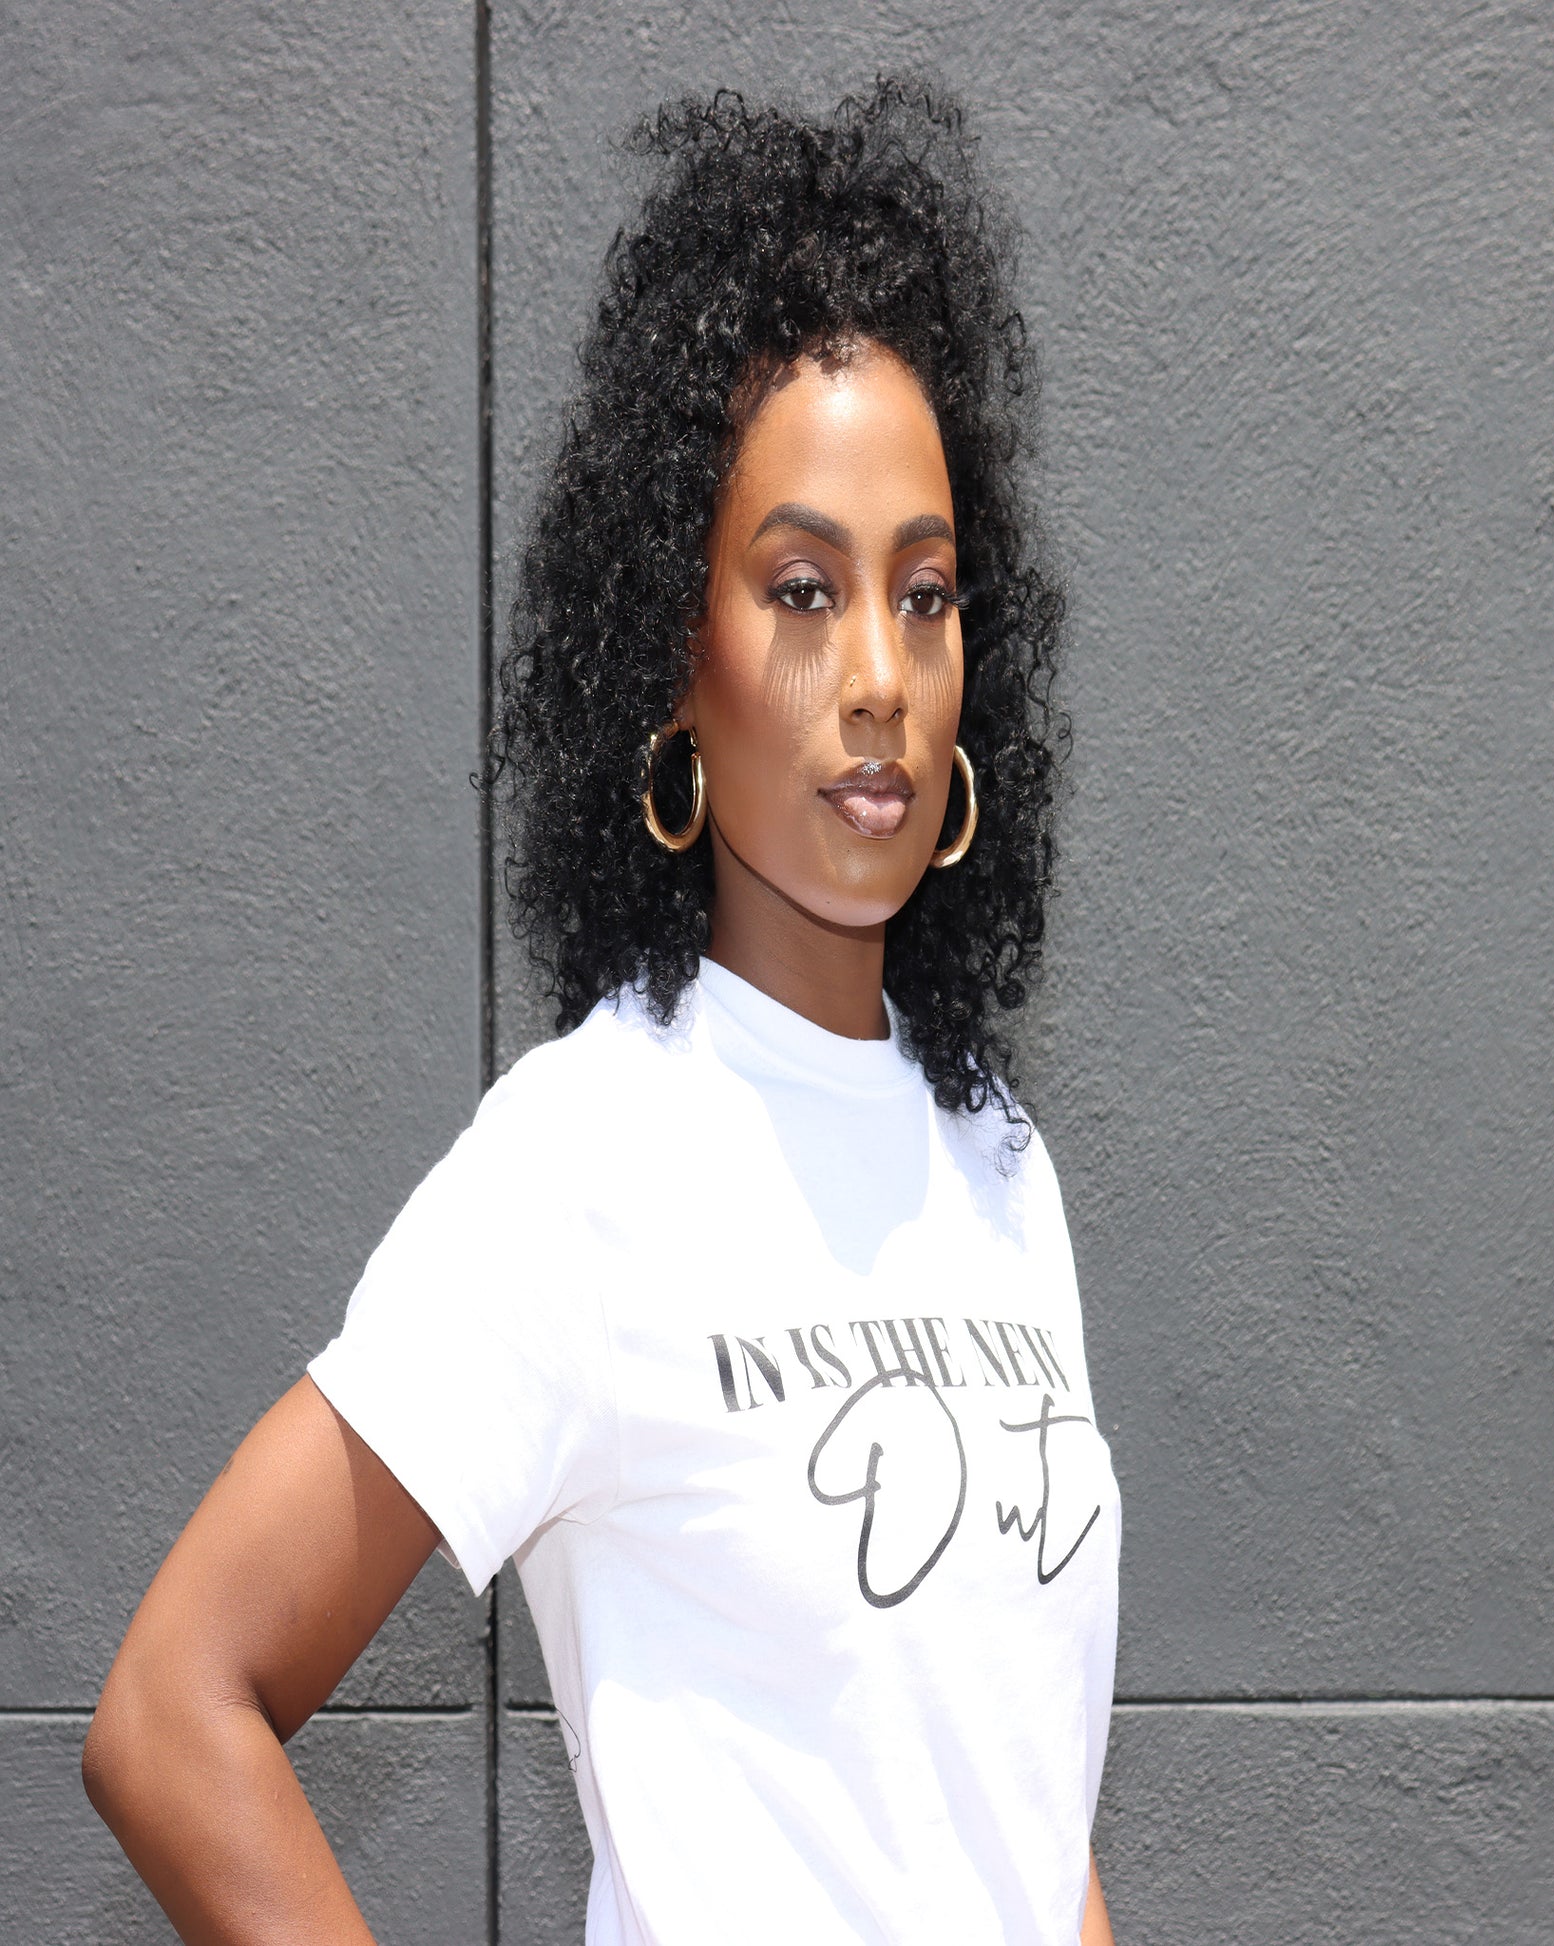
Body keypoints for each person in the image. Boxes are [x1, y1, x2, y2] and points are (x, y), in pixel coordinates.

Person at [83, 78, 1120, 1946]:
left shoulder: (998, 1162)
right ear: (673, 651)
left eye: (925, 592)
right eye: (799, 588)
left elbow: (1010, 1810)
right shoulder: (593, 1157)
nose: (878, 676)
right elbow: (174, 1713)